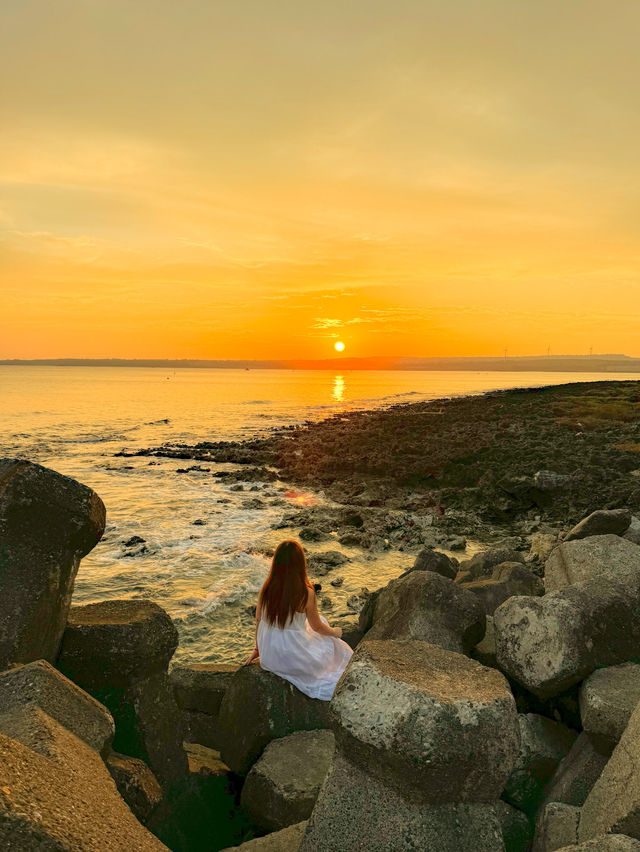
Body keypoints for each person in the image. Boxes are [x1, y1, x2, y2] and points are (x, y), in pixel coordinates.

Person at [243, 539, 353, 701]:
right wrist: (335, 633)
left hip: (270, 657)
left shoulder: (266, 589)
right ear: (300, 564)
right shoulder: (305, 592)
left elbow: (259, 620)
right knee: (330, 640)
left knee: (316, 625)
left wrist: (258, 650)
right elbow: (317, 627)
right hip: (293, 656)